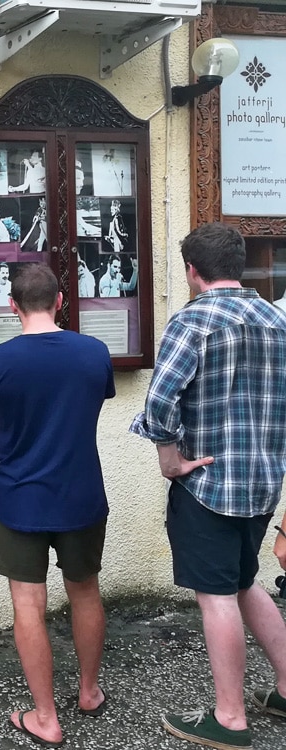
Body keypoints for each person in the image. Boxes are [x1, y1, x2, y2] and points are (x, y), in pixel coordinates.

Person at [131, 222, 286, 750]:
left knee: (216, 595)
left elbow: (158, 403)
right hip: (264, 480)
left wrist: (171, 461)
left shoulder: (193, 322)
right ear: (237, 266)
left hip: (209, 483)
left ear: (192, 271)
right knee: (245, 581)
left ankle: (230, 718)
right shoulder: (276, 318)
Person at [0, 263, 114, 748]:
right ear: (59, 301)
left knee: (28, 605)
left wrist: (17, 424)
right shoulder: (94, 352)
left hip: (18, 499)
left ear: (11, 307)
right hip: (81, 495)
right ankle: (89, 692)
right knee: (86, 592)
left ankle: (46, 717)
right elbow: (89, 405)